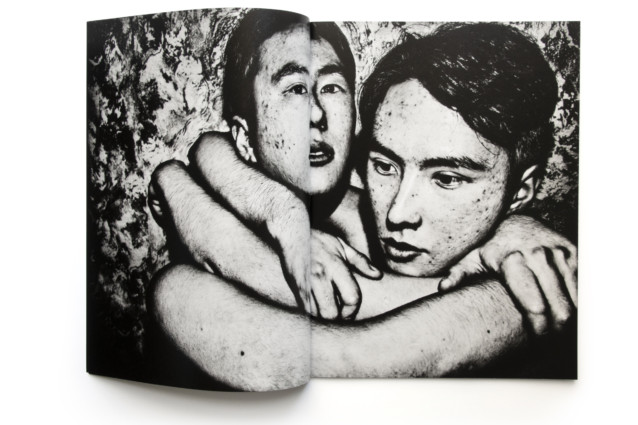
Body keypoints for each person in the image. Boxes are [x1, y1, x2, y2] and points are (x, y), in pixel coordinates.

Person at [149, 17, 577, 389]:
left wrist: (514, 232)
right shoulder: (340, 213)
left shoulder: (540, 289)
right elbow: (211, 152)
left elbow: (354, 354)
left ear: (520, 192)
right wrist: (281, 217)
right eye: (385, 166)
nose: (397, 213)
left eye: (446, 178)